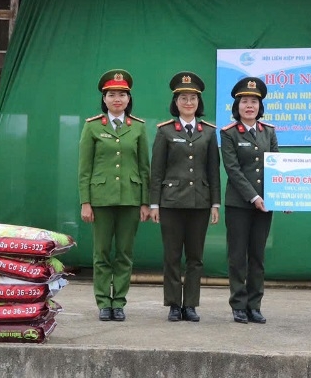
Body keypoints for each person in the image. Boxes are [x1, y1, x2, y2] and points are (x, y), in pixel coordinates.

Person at [78, 69, 151, 322]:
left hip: (131, 199)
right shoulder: (92, 127)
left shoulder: (139, 128)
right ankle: (103, 303)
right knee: (101, 254)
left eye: (122, 94)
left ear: (129, 99)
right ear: (104, 98)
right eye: (112, 94)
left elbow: (144, 168)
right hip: (100, 200)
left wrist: (145, 201)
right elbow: (84, 169)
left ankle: (118, 302)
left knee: (124, 253)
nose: (117, 99)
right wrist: (85, 202)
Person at [149, 71, 221, 323]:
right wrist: (154, 203)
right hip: (170, 203)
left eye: (193, 98)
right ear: (175, 102)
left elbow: (213, 170)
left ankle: (190, 304)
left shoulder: (209, 132)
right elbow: (156, 170)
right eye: (183, 98)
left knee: (195, 257)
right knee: (171, 256)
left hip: (199, 202)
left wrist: (215, 203)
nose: (188, 102)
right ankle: (172, 304)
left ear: (199, 103)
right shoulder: (165, 131)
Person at [220, 76, 278, 324]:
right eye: (244, 101)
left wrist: (282, 196)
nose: (249, 106)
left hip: (266, 204)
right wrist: (253, 196)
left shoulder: (269, 132)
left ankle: (255, 305)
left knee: (257, 256)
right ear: (237, 106)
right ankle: (238, 305)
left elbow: (277, 165)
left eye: (254, 101)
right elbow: (233, 170)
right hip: (239, 204)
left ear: (260, 105)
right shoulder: (229, 133)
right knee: (237, 256)